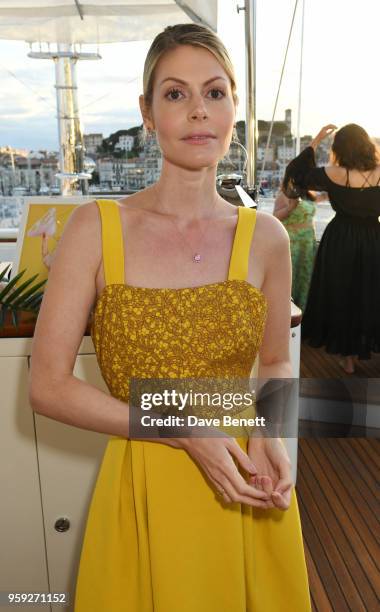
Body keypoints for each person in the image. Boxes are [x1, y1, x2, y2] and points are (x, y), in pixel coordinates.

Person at [28, 24, 311, 612]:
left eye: (214, 93)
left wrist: (270, 432)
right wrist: (181, 427)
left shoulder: (267, 238)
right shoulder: (94, 230)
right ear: (148, 113)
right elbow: (47, 387)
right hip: (145, 480)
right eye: (176, 94)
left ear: (235, 107)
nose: (198, 112)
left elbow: (276, 356)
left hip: (245, 481)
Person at [283, 123, 380, 374]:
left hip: (341, 239)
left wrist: (315, 140)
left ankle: (347, 360)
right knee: (372, 293)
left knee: (344, 295)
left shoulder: (334, 173)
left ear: (339, 148)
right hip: (374, 239)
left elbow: (296, 174)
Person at [273, 188, 318, 311]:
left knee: (306, 279)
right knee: (293, 278)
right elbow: (275, 216)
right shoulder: (285, 193)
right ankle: (288, 312)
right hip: (294, 244)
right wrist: (290, 208)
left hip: (308, 245)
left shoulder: (309, 193)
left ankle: (304, 313)